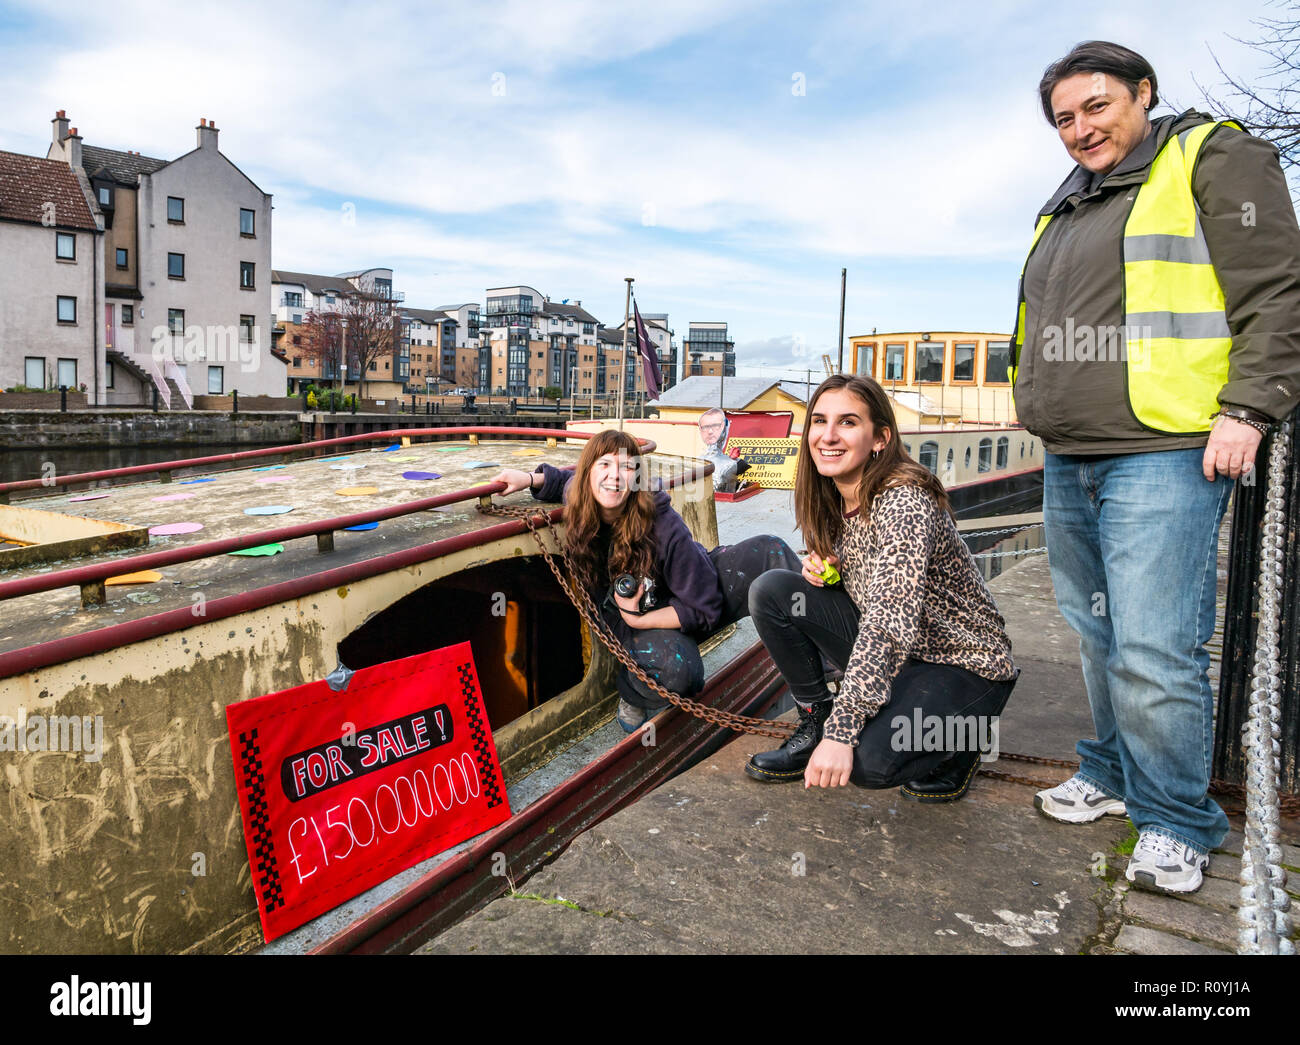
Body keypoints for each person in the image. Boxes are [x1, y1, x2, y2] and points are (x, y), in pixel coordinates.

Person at [1012, 42, 1300, 893]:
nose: (1079, 128)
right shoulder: (1067, 202)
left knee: (1155, 645)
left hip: (1163, 447)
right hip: (1072, 451)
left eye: (1095, 106)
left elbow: (1278, 287)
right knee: (1098, 634)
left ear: (1143, 93)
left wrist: (1250, 407)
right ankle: (1109, 770)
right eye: (1063, 118)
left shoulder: (1211, 156)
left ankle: (1177, 818)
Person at [745, 375, 1018, 799]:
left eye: (848, 423)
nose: (828, 436)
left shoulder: (904, 502)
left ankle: (964, 740)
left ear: (880, 438)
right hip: (905, 656)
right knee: (774, 591)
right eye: (819, 421)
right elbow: (869, 587)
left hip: (961, 660)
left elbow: (889, 617)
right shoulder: (835, 497)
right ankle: (816, 717)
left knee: (869, 762)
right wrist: (829, 575)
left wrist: (845, 729)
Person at [492, 428, 801, 732]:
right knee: (682, 675)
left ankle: (824, 672)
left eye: (626, 467)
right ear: (588, 473)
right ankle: (634, 690)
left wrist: (640, 618)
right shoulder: (581, 495)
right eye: (604, 465)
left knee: (771, 551)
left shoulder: (663, 523)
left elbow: (705, 607)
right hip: (630, 623)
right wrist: (530, 479)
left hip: (686, 596)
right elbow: (562, 479)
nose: (614, 476)